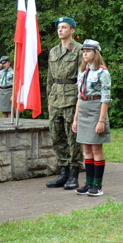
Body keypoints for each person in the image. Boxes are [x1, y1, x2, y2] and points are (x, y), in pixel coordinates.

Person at [45, 17, 84, 189]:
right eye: (59, 27)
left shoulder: (79, 50)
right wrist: (49, 99)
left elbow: (82, 77)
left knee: (72, 137)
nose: (60, 30)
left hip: (71, 97)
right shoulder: (54, 51)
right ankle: (63, 172)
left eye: (64, 27)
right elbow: (50, 77)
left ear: (72, 30)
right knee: (56, 136)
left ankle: (74, 173)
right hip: (56, 97)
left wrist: (80, 101)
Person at [72, 39, 112, 196]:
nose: (85, 54)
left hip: (96, 109)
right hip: (83, 109)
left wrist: (101, 120)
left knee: (96, 148)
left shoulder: (103, 72)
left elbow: (105, 98)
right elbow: (79, 96)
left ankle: (97, 185)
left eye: (88, 51)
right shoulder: (82, 71)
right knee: (86, 149)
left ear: (96, 53)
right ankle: (88, 184)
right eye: (83, 51)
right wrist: (75, 119)